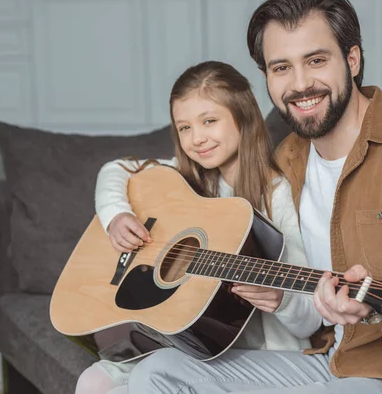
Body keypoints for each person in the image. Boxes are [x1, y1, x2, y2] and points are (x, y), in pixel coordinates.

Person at [118, 0, 382, 393]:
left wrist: (379, 301)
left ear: (353, 59)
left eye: (316, 60)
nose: (300, 84)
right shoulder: (287, 159)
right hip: (331, 360)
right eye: (281, 68)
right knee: (158, 372)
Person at [74, 60, 322, 394]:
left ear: (244, 117)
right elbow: (116, 168)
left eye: (209, 121)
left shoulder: (277, 198)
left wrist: (281, 299)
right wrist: (117, 215)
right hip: (183, 343)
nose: (197, 138)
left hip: (255, 357)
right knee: (92, 381)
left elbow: (310, 317)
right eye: (184, 127)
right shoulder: (184, 180)